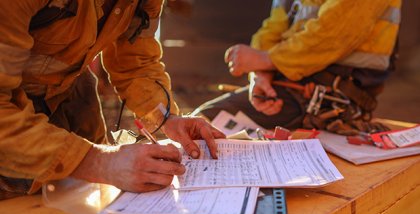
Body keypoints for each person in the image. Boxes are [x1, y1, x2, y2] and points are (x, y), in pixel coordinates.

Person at [0, 0, 225, 198]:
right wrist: (99, 162)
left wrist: (167, 119)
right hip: (12, 125)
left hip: (72, 96)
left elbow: (136, 62)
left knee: (88, 206)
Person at [193, 0, 401, 135]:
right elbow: (274, 26)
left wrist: (265, 59)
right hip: (290, 88)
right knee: (200, 126)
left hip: (334, 99)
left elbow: (335, 34)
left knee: (206, 123)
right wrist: (261, 75)